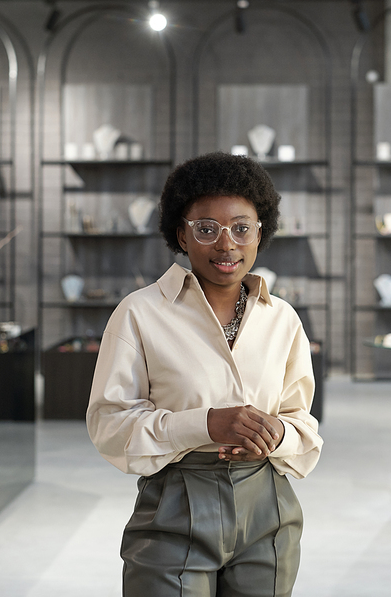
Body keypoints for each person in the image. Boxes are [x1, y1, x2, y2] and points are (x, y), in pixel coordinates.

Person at [87, 151, 323, 597]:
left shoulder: (283, 319)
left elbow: (303, 424)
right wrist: (204, 424)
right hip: (174, 506)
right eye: (207, 229)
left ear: (260, 232)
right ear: (182, 233)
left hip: (268, 511)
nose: (226, 243)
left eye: (241, 227)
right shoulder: (140, 314)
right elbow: (108, 425)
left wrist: (278, 433)